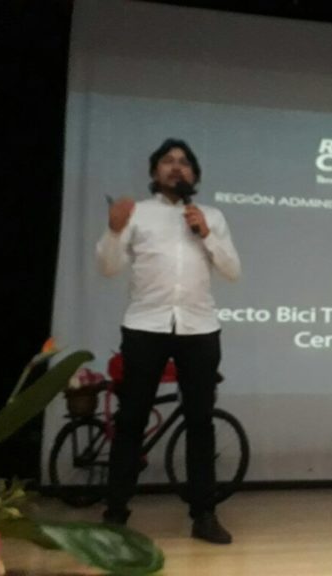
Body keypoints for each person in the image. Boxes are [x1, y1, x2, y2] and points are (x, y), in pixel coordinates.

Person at [96, 138, 241, 544]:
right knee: (131, 421)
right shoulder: (137, 214)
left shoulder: (211, 216)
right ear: (154, 172)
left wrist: (207, 234)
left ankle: (204, 514)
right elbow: (108, 267)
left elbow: (232, 270)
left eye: (184, 162)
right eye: (167, 161)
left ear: (195, 174)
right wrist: (114, 229)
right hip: (146, 327)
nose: (176, 167)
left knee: (200, 422)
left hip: (200, 329)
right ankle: (115, 514)